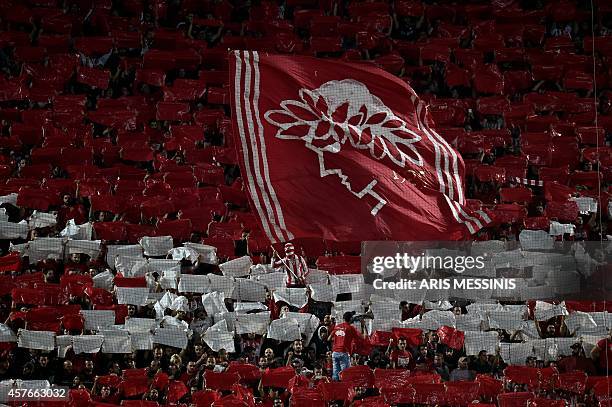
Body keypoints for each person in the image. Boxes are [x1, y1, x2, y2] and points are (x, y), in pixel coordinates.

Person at [329, 311, 363, 380]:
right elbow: (362, 337)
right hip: (343, 353)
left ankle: (335, 388)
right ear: (350, 319)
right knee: (345, 374)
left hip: (335, 352)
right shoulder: (350, 328)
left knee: (335, 374)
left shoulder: (337, 327)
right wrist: (362, 325)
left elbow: (329, 338)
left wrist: (338, 339)